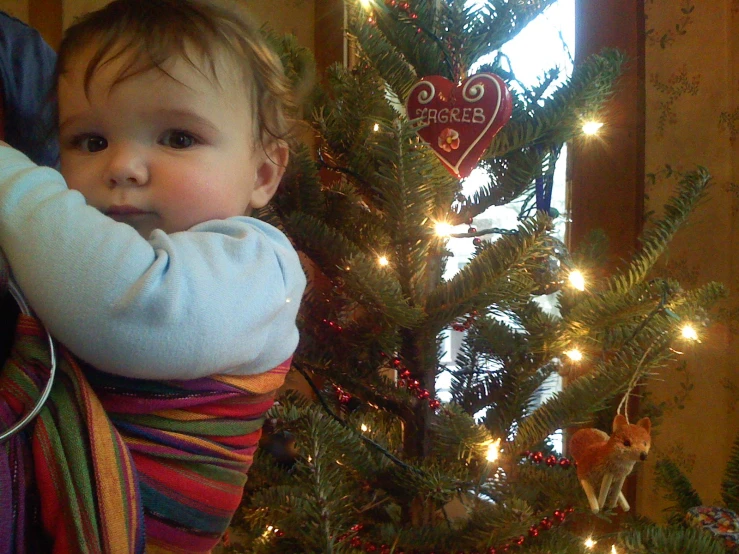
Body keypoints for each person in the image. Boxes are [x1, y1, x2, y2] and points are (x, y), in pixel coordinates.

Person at [0, 0, 307, 550]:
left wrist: (12, 181)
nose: (121, 166)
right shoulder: (72, 253)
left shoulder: (261, 262)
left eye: (177, 138)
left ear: (263, 173)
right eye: (90, 141)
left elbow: (136, 308)